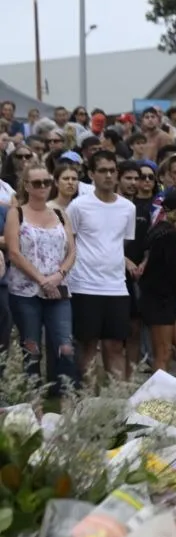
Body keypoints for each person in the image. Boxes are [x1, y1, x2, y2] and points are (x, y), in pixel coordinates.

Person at [5, 165, 76, 393]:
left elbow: (72, 251)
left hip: (58, 289)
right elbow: (14, 253)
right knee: (31, 348)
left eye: (46, 182)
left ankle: (67, 404)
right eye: (37, 183)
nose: (43, 187)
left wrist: (58, 276)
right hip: (25, 292)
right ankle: (35, 404)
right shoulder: (16, 213)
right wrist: (41, 279)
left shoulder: (60, 214)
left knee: (65, 346)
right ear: (26, 186)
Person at [65, 150, 135, 381]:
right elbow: (69, 242)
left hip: (116, 286)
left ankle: (117, 403)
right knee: (87, 346)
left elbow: (121, 243)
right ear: (91, 174)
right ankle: (86, 403)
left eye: (112, 170)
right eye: (102, 170)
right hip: (84, 285)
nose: (108, 175)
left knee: (116, 345)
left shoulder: (128, 208)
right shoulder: (78, 206)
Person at [138, 189, 176, 380]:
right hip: (159, 301)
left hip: (174, 300)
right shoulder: (166, 234)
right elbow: (168, 273)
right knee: (164, 353)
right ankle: (160, 400)